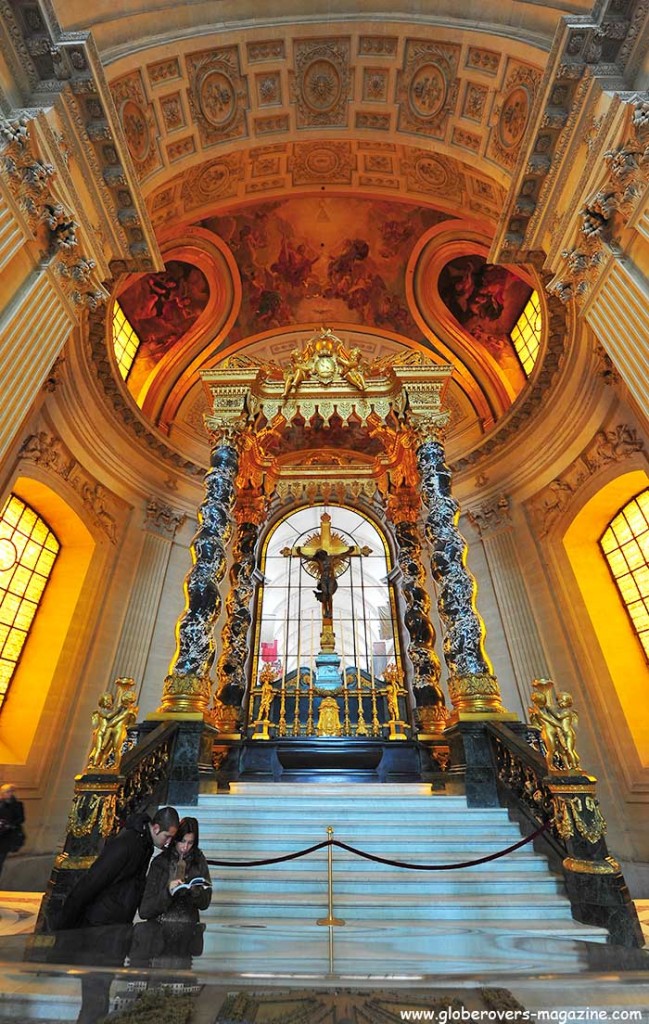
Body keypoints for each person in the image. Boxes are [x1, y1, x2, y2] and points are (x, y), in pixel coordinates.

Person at [53, 805, 179, 1024]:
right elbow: (91, 883)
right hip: (100, 932)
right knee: (95, 999)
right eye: (168, 836)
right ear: (156, 827)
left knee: (100, 998)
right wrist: (64, 930)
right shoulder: (127, 844)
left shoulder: (145, 844)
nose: (169, 842)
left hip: (114, 931)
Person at [130, 816, 212, 967]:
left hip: (187, 932)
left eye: (190, 843)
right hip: (159, 932)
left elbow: (205, 902)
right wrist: (168, 891)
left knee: (182, 980)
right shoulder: (161, 863)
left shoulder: (198, 861)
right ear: (175, 840)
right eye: (182, 841)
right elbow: (145, 910)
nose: (185, 847)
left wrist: (195, 891)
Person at [0, 784, 25, 880]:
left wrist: (9, 825)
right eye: (6, 792)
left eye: (10, 792)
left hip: (6, 837)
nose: (8, 794)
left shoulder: (17, 805)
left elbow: (21, 819)